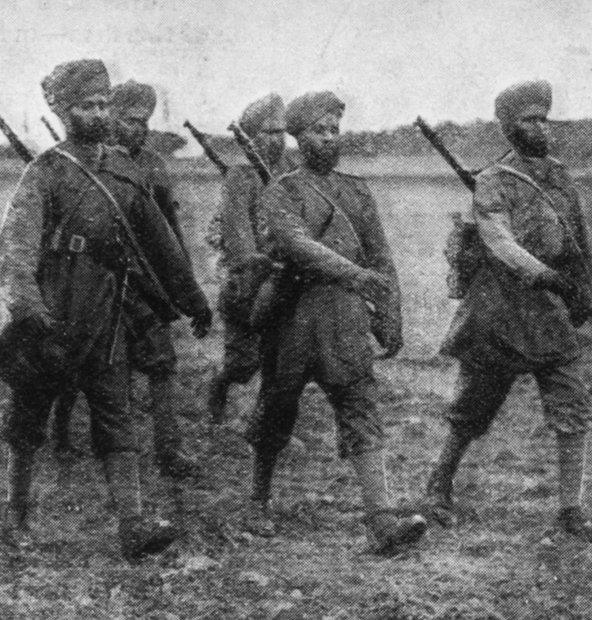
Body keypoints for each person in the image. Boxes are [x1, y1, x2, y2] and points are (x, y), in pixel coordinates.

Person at [0, 59, 212, 562]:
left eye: (102, 104)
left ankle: (133, 523)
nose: (97, 114)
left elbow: (161, 245)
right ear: (64, 112)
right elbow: (15, 248)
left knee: (115, 411)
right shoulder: (46, 171)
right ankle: (16, 512)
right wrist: (27, 306)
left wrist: (192, 299)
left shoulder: (124, 171)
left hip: (108, 310)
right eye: (85, 106)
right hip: (56, 306)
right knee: (29, 414)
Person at [251, 91, 427, 553]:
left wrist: (390, 316)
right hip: (293, 316)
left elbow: (381, 256)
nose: (329, 139)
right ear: (297, 137)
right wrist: (355, 274)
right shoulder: (282, 190)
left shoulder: (356, 190)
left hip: (345, 317)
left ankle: (380, 518)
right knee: (277, 408)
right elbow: (295, 244)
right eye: (317, 130)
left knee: (360, 407)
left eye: (334, 129)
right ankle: (258, 500)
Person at [427, 80, 592, 541]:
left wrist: (583, 288)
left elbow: (579, 241)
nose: (539, 128)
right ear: (506, 127)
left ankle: (570, 508)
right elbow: (501, 242)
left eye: (543, 119)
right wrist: (548, 277)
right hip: (499, 311)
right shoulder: (493, 181)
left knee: (573, 407)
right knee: (472, 411)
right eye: (527, 120)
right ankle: (438, 484)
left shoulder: (558, 175)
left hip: (550, 313)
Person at [50, 79, 204, 480]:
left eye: (144, 122)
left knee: (162, 363)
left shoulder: (153, 165)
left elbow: (168, 229)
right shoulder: (87, 162)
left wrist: (185, 288)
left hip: (145, 283)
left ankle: (169, 451)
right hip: (96, 279)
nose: (139, 129)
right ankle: (61, 432)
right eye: (130, 120)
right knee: (77, 359)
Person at [206, 94, 297, 424]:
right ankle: (220, 383)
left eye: (280, 132)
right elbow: (238, 236)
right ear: (251, 137)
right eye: (268, 132)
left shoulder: (292, 174)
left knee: (278, 356)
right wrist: (262, 263)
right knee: (243, 363)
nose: (276, 140)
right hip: (247, 282)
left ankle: (264, 421)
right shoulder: (240, 178)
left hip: (285, 278)